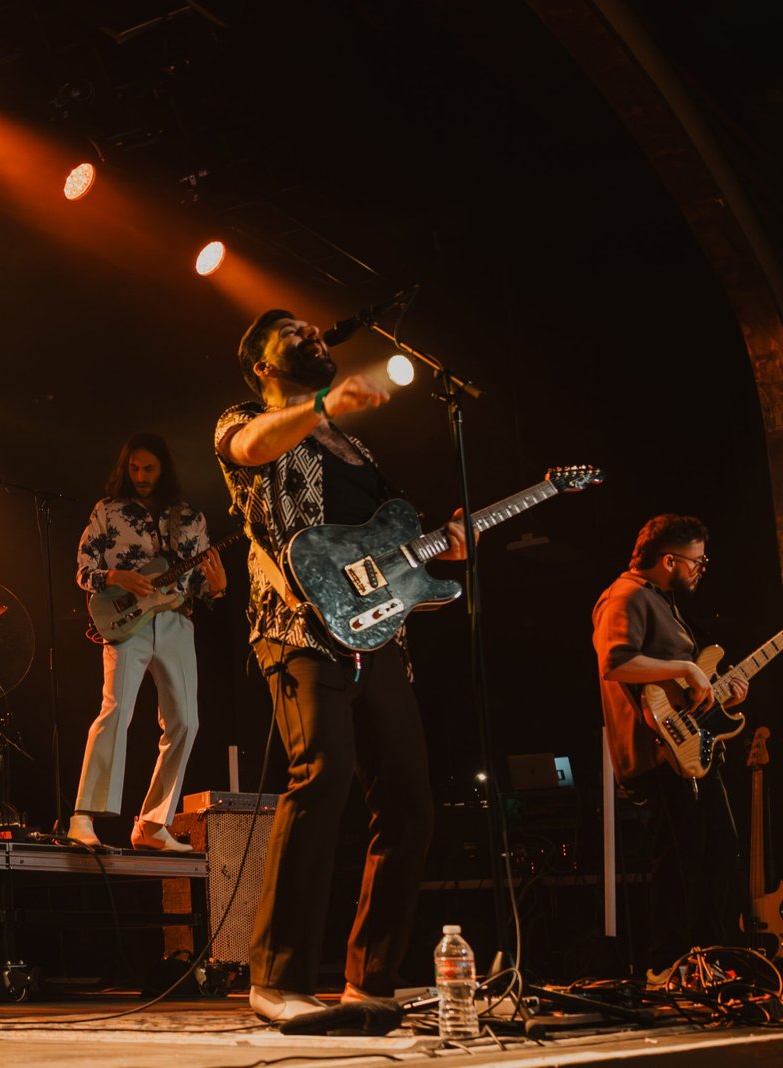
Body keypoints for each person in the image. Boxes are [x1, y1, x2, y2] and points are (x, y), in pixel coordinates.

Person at [215, 308, 465, 1021]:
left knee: (410, 804)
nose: (312, 332)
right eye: (291, 330)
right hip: (295, 625)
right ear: (263, 364)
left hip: (378, 638)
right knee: (321, 777)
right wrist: (321, 405)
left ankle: (372, 983)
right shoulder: (242, 419)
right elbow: (253, 449)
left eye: (312, 326)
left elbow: (388, 549)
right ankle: (277, 980)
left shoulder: (356, 447)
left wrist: (443, 548)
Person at [592, 514, 747, 977]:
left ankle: (708, 960)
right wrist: (687, 669)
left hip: (688, 749)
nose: (701, 569)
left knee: (717, 855)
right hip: (659, 753)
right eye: (697, 561)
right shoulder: (626, 596)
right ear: (669, 560)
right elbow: (616, 663)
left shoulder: (661, 599)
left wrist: (718, 693)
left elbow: (681, 688)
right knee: (681, 863)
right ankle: (667, 965)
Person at [70, 432, 227, 852]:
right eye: (134, 468)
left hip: (176, 621)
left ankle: (153, 824)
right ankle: (83, 818)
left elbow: (201, 586)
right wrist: (115, 576)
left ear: (164, 470)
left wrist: (218, 587)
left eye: (149, 469)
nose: (140, 476)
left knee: (186, 722)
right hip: (126, 621)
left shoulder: (190, 518)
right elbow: (83, 570)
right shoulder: (108, 512)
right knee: (116, 711)